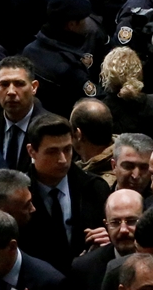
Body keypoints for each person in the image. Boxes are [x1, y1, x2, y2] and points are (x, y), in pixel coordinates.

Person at [20, 114, 111, 270]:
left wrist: (109, 237)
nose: (62, 159)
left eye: (67, 149)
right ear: (31, 151)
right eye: (52, 151)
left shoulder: (95, 188)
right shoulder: (18, 195)